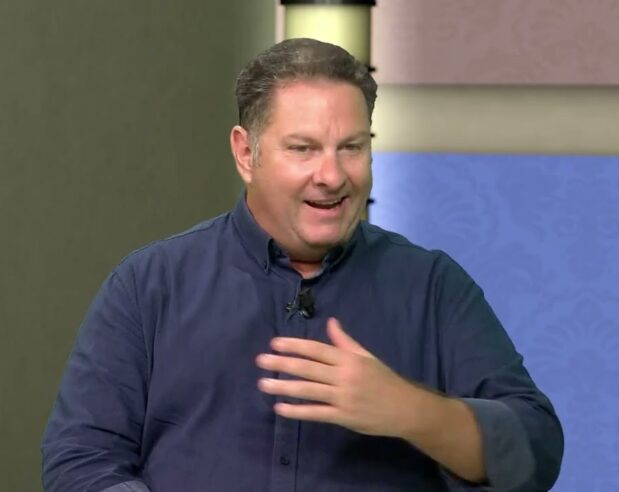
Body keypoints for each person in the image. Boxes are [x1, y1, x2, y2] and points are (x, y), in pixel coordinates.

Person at [41, 38, 563, 492]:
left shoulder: (432, 286)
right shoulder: (150, 284)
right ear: (246, 154)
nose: (332, 176)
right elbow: (81, 459)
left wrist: (411, 410)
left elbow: (535, 455)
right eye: (304, 149)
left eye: (351, 147)